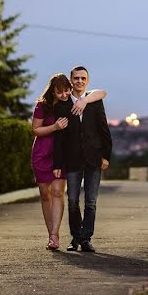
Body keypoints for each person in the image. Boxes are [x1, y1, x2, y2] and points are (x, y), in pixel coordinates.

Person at [31, 73, 106, 251]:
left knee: (58, 192)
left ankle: (54, 236)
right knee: (44, 194)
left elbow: (101, 93)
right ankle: (52, 233)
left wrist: (84, 101)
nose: (64, 95)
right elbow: (35, 130)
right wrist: (55, 127)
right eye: (60, 92)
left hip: (62, 154)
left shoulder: (72, 103)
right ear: (52, 91)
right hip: (43, 152)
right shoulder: (43, 106)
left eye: (67, 91)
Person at [52, 66, 112, 253]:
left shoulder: (94, 102)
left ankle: (86, 239)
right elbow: (59, 138)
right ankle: (75, 237)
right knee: (72, 200)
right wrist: (57, 163)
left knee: (91, 202)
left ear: (87, 80)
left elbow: (104, 129)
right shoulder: (62, 105)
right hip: (72, 160)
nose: (79, 81)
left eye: (83, 78)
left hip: (94, 158)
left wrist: (106, 156)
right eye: (76, 78)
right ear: (71, 80)